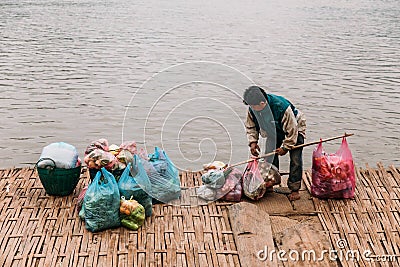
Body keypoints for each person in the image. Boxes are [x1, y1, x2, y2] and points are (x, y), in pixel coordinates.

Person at [243, 86, 306, 201]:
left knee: (295, 158)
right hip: (273, 130)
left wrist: (285, 147)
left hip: (295, 129)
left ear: (262, 103)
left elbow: (292, 130)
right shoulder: (253, 109)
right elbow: (251, 126)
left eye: (253, 106)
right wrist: (253, 142)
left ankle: (295, 188)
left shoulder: (281, 107)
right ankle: (270, 183)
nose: (251, 108)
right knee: (269, 156)